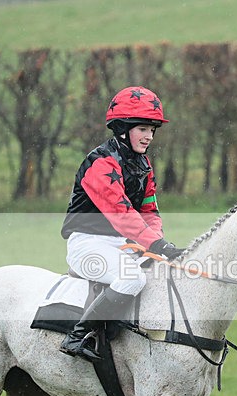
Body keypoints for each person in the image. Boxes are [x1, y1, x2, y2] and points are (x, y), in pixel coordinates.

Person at [59, 86, 183, 360]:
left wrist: (159, 244)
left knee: (161, 274)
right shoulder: (101, 163)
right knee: (133, 278)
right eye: (143, 128)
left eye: (153, 129)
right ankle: (78, 336)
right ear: (123, 128)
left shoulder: (143, 164)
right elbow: (121, 213)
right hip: (87, 243)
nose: (149, 136)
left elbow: (150, 211)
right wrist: (156, 243)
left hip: (124, 244)